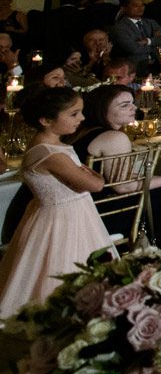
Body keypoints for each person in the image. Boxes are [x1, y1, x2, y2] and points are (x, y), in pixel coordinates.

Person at [0, 88, 114, 317]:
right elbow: (95, 185)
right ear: (46, 120)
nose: (81, 118)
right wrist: (97, 177)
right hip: (59, 222)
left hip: (76, 213)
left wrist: (91, 177)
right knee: (57, 273)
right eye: (73, 114)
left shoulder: (54, 147)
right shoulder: (49, 154)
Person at [71, 85, 161, 221]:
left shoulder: (85, 132)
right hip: (99, 212)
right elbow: (122, 186)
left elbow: (122, 177)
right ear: (103, 110)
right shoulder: (113, 137)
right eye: (124, 105)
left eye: (132, 103)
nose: (134, 108)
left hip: (85, 206)